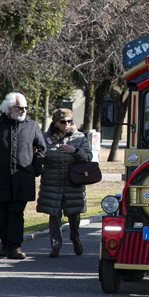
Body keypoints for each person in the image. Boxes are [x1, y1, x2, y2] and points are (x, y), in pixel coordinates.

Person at [0, 92, 47, 260]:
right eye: (19, 108)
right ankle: (5, 244)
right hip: (1, 177)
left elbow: (42, 149)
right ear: (9, 109)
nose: (23, 111)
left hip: (23, 177)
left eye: (25, 108)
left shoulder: (32, 126)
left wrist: (35, 169)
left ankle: (15, 246)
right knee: (3, 212)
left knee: (17, 211)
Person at [37, 108, 92, 258]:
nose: (66, 124)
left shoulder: (79, 137)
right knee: (54, 214)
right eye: (63, 122)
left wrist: (74, 150)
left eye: (69, 121)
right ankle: (55, 246)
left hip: (73, 182)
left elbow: (87, 157)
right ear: (55, 122)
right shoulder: (45, 137)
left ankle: (75, 238)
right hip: (52, 182)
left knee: (74, 214)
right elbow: (39, 156)